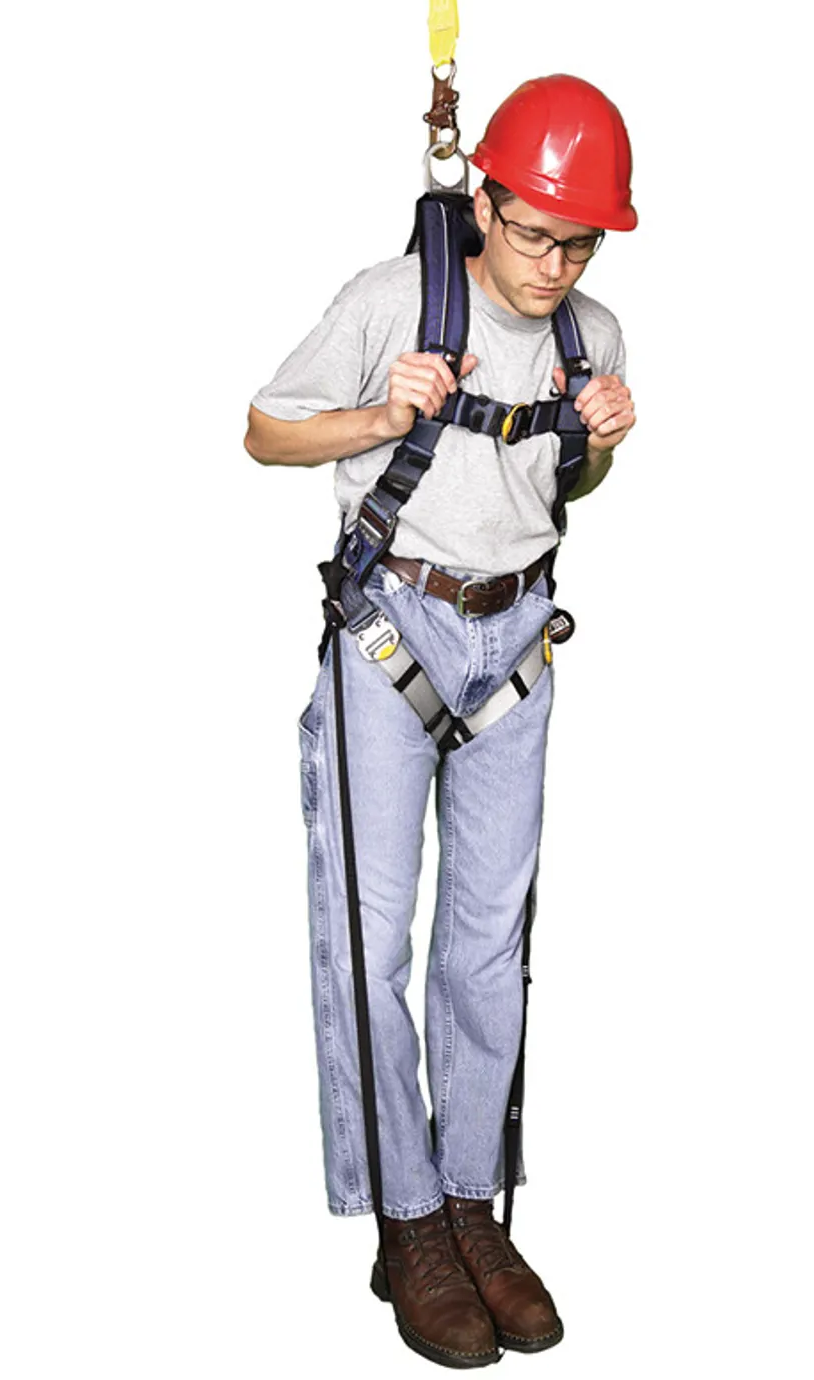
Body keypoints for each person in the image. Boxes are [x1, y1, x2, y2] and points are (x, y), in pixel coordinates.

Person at [244, 74, 637, 1368]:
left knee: (486, 945)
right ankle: (406, 1220)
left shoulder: (594, 334)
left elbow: (566, 479)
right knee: (369, 938)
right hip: (392, 631)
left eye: (580, 243)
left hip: (514, 643)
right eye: (534, 233)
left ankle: (474, 1204)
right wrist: (384, 413)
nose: (554, 264)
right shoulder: (390, 302)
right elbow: (264, 433)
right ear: (485, 201)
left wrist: (596, 441)